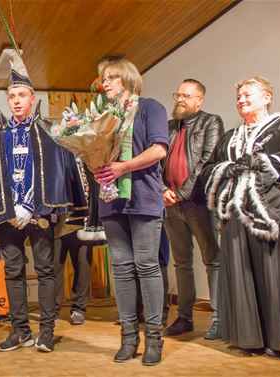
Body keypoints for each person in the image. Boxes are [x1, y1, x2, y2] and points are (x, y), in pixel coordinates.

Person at [0, 51, 87, 353]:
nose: (16, 101)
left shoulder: (51, 134)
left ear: (33, 97)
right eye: (12, 96)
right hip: (10, 217)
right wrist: (10, 210)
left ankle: (46, 330)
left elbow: (60, 175)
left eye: (22, 95)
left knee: (47, 271)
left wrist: (35, 208)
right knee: (13, 272)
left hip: (41, 215)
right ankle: (20, 330)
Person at [92, 56, 169, 366]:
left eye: (110, 77)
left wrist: (123, 166)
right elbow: (95, 153)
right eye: (102, 78)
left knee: (147, 266)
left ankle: (154, 337)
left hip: (144, 198)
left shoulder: (151, 107)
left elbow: (158, 149)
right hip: (111, 201)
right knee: (121, 269)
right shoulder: (102, 115)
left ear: (126, 78)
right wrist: (95, 166)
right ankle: (127, 337)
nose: (105, 83)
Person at [202, 76, 280, 358]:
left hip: (269, 211)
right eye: (239, 97)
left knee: (271, 272)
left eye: (248, 95)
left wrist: (263, 163)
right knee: (240, 271)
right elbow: (209, 168)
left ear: (267, 98)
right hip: (235, 213)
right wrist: (228, 168)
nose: (241, 100)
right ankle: (249, 338)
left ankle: (276, 340)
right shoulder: (230, 138)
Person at [162, 79, 223, 339]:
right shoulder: (168, 127)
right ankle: (184, 318)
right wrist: (161, 191)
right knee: (182, 263)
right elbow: (157, 161)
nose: (180, 99)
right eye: (178, 94)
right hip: (171, 206)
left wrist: (182, 193)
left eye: (187, 95)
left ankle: (220, 318)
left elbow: (207, 160)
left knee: (212, 260)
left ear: (200, 100)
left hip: (198, 203)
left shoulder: (211, 121)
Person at [54, 160, 104, 325]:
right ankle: (52, 309)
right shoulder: (56, 156)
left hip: (83, 222)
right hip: (60, 222)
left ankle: (78, 308)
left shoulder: (89, 158)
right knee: (54, 267)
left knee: (83, 265)